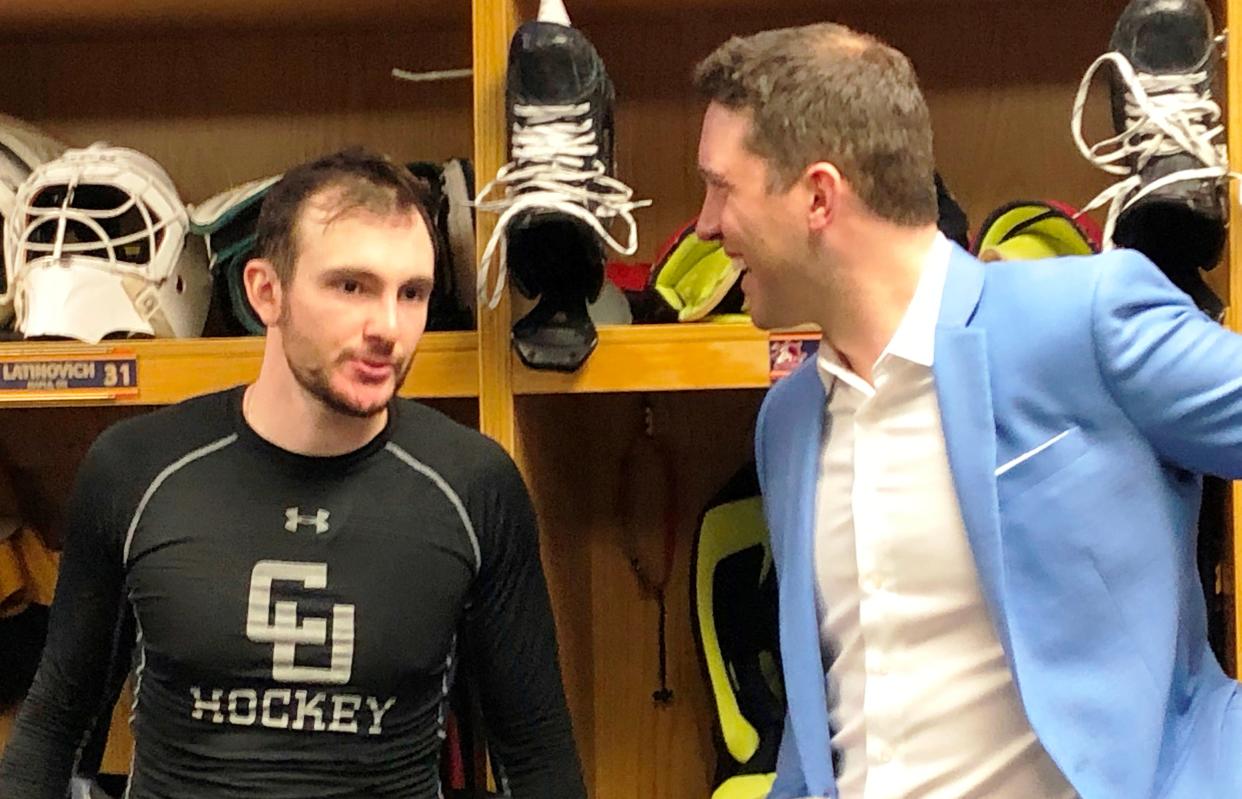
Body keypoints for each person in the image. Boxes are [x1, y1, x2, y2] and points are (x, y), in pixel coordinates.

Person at [692, 22, 1242, 799]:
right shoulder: (787, 422)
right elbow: (828, 726)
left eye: (721, 187)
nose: (704, 224)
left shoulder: (1081, 321)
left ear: (818, 195)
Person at [0, 148, 586, 799]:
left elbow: (536, 756)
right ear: (264, 291)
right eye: (351, 286)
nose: (388, 327)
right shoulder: (137, 470)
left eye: (412, 293)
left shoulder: (473, 486)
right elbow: (54, 730)